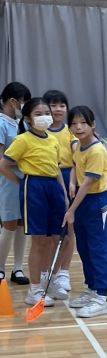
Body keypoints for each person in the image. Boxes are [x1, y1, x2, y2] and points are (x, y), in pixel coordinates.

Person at [0, 98, 68, 307]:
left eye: (47, 113)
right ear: (28, 119)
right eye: (38, 114)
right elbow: (3, 165)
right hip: (34, 187)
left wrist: (64, 194)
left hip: (54, 188)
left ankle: (48, 281)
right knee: (39, 240)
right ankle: (34, 289)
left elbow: (56, 169)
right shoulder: (23, 139)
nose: (45, 117)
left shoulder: (53, 140)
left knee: (57, 238)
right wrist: (22, 183)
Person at [62, 106, 107, 317]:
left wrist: (70, 210)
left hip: (96, 203)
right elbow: (75, 165)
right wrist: (71, 182)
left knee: (98, 248)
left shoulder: (97, 150)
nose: (78, 127)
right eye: (74, 123)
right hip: (82, 202)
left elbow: (89, 183)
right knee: (84, 248)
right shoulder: (79, 147)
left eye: (83, 122)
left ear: (93, 124)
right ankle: (92, 288)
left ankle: (102, 297)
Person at [44, 90, 78, 292]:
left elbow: (77, 150)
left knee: (69, 229)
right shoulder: (40, 132)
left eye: (62, 105)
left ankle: (63, 273)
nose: (58, 109)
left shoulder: (71, 131)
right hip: (47, 178)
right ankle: (47, 273)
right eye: (53, 105)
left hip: (68, 177)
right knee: (49, 232)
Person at [0, 82, 31, 285]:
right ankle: (0, 268)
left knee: (22, 223)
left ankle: (17, 269)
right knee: (9, 224)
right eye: (24, 101)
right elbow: (1, 159)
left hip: (25, 180)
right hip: (9, 181)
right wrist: (18, 176)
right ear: (13, 101)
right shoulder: (1, 123)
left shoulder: (23, 123)